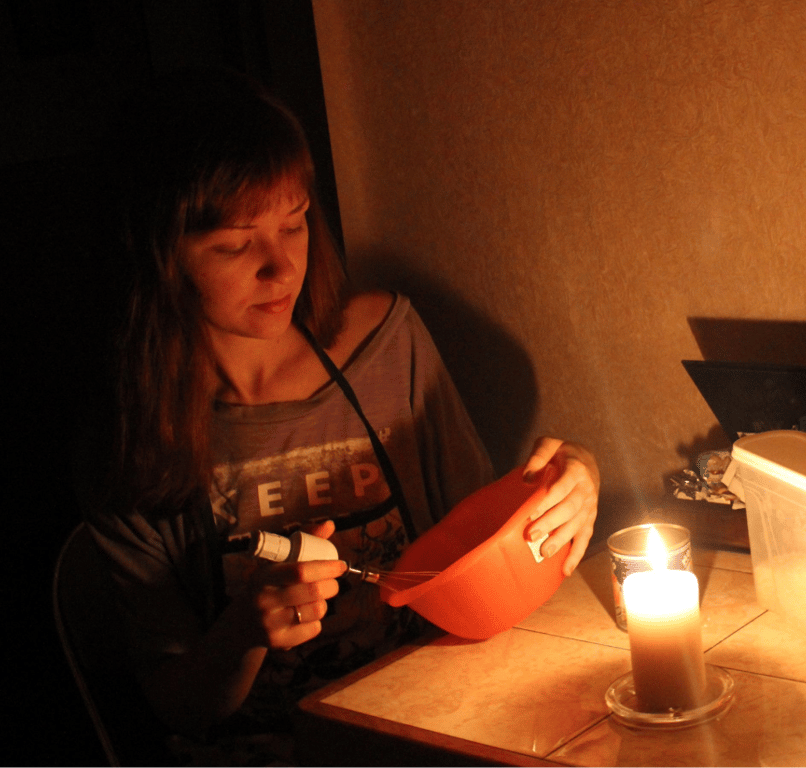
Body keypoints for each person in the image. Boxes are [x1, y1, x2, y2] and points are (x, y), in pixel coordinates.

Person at [84, 68, 599, 763]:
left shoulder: (385, 343)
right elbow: (183, 708)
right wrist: (243, 633)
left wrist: (571, 483)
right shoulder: (135, 437)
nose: (280, 268)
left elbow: (482, 549)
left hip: (432, 720)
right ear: (159, 255)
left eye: (294, 224)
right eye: (234, 245)